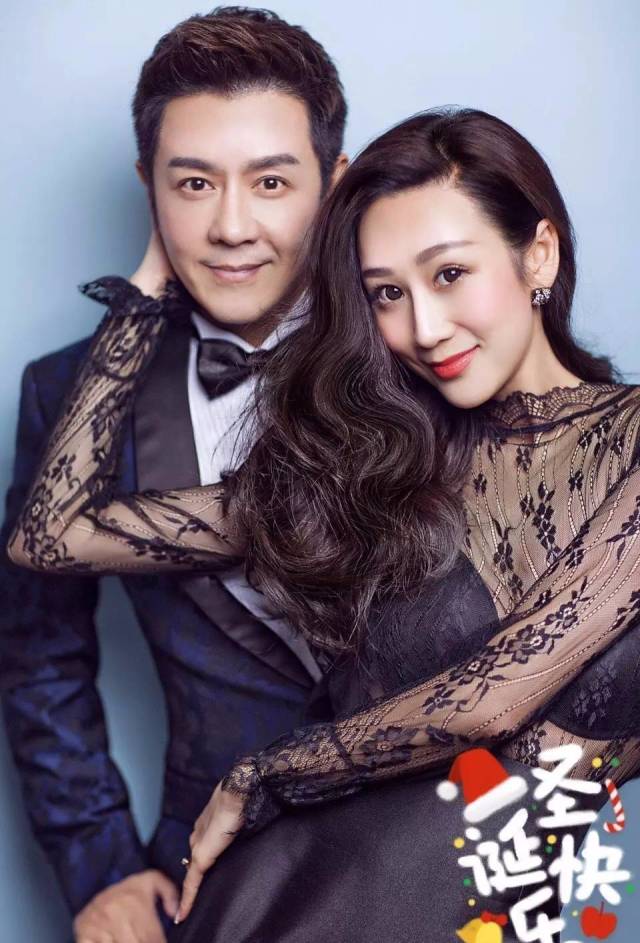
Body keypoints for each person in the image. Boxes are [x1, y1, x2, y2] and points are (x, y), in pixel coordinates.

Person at [8, 109, 640, 941]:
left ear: (539, 254)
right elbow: (50, 536)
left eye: (450, 273)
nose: (424, 327)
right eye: (387, 293)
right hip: (274, 907)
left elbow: (493, 701)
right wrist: (150, 288)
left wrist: (266, 772)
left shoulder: (629, 447)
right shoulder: (365, 463)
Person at [0, 6, 348, 940]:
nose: (231, 226)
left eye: (271, 181)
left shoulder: (431, 351)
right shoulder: (68, 396)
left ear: (335, 184)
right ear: (148, 187)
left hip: (446, 859)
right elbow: (39, 651)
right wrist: (98, 865)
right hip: (206, 883)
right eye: (193, 182)